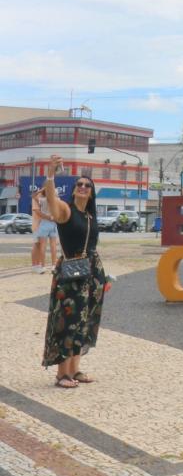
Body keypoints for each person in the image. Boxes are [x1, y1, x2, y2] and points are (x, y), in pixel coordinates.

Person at [40, 159, 107, 389]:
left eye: (87, 185)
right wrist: (50, 175)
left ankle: (75, 370)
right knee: (67, 320)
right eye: (79, 184)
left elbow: (93, 247)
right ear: (74, 188)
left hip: (91, 274)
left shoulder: (90, 217)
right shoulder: (66, 211)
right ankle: (62, 374)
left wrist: (102, 278)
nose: (82, 187)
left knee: (84, 321)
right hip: (70, 273)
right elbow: (51, 200)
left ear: (91, 193)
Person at [31, 186, 60, 273]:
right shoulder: (57, 200)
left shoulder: (42, 200)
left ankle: (42, 266)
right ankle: (54, 265)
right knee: (53, 246)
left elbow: (33, 196)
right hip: (53, 223)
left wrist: (42, 189)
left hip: (44, 223)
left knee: (43, 245)